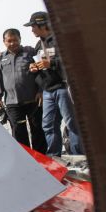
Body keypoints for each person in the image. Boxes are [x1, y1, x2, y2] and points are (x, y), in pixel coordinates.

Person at [25, 11, 84, 156]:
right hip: (47, 90)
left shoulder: (60, 40)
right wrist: (35, 68)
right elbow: (42, 63)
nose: (32, 30)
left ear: (42, 24)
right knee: (48, 125)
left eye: (33, 26)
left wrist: (51, 63)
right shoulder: (39, 44)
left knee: (72, 124)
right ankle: (54, 157)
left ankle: (79, 157)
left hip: (63, 87)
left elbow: (72, 61)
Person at [0, 28, 47, 153]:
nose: (12, 43)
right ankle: (27, 159)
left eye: (15, 40)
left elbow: (41, 72)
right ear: (4, 42)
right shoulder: (0, 58)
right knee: (18, 132)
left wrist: (40, 91)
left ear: (20, 39)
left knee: (37, 130)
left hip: (33, 100)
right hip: (13, 104)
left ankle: (42, 159)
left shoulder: (30, 52)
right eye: (9, 41)